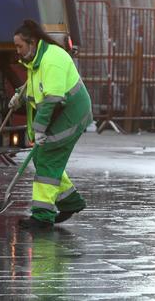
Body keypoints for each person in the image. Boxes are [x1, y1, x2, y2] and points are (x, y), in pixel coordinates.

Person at [10, 19, 93, 231]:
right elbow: (37, 84)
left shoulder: (52, 60)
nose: (17, 51)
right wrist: (20, 95)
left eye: (20, 46)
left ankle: (42, 217)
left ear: (32, 42)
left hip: (70, 115)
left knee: (46, 159)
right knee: (43, 158)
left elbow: (51, 99)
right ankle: (70, 202)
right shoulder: (37, 58)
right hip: (61, 113)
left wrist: (38, 131)